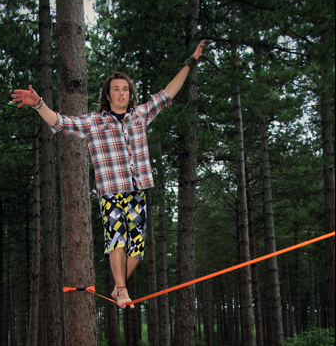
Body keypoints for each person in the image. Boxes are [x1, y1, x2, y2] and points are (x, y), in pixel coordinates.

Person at [12, 41, 204, 309]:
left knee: (136, 250)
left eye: (125, 89)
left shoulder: (140, 115)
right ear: (108, 95)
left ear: (130, 94)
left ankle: (117, 288)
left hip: (137, 190)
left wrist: (191, 61)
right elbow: (60, 122)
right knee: (117, 238)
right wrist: (38, 104)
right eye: (117, 89)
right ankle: (123, 291)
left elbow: (168, 92)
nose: (122, 93)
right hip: (111, 191)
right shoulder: (95, 122)